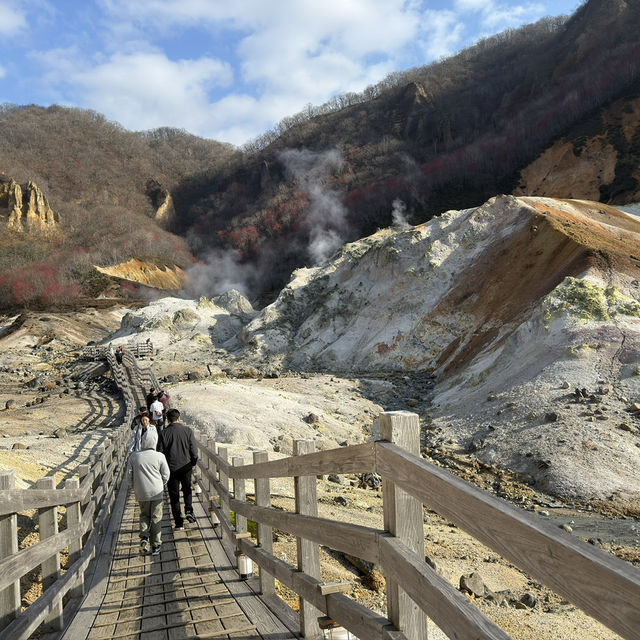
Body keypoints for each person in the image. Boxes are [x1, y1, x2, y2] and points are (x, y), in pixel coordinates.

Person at [127, 428, 169, 555]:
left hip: (141, 492)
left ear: (143, 441)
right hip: (156, 491)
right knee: (156, 517)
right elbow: (166, 474)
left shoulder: (134, 456)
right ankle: (156, 545)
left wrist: (134, 486)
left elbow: (129, 476)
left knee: (144, 515)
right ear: (155, 441)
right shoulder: (160, 456)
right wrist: (162, 484)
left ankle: (144, 537)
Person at [160, 408, 198, 529]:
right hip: (186, 466)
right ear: (179, 418)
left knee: (174, 495)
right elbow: (194, 451)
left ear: (167, 420)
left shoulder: (163, 433)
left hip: (170, 468)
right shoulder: (187, 431)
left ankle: (178, 522)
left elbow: (160, 452)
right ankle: (188, 510)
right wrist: (193, 462)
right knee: (187, 489)